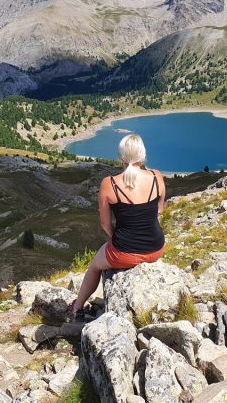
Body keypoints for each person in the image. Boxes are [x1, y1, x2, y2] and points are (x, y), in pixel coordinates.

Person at [69, 133, 165, 321]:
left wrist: (117, 238)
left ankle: (77, 308)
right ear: (143, 155)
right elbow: (158, 212)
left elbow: (105, 224)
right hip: (156, 248)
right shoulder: (156, 177)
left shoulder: (109, 184)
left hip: (124, 252)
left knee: (95, 265)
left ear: (120, 157)